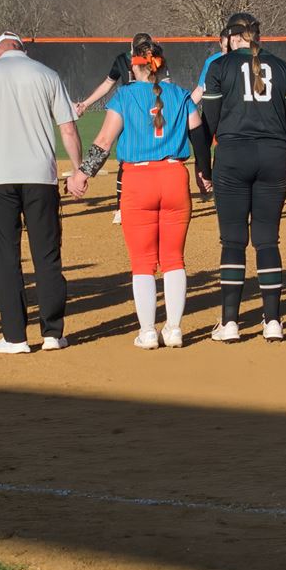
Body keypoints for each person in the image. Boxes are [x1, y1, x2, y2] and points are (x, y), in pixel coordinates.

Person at [0, 32, 82, 354]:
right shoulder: (47, 74)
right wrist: (78, 169)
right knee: (47, 255)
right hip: (40, 176)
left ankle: (15, 337)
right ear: (22, 49)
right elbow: (67, 128)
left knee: (4, 257)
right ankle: (52, 333)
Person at [68, 37, 205, 348]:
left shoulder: (125, 96)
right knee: (174, 259)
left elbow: (104, 140)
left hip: (138, 181)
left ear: (135, 65)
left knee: (143, 262)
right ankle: (174, 329)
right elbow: (199, 134)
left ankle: (147, 332)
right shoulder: (180, 94)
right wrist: (203, 173)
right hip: (174, 177)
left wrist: (82, 173)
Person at [198, 13, 286, 342]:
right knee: (267, 240)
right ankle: (273, 321)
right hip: (272, 156)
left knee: (233, 241)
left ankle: (229, 323)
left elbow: (208, 121)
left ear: (231, 36)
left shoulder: (220, 66)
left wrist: (204, 166)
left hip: (233, 155)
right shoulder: (282, 68)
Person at [73, 32, 151, 226]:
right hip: (129, 111)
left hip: (150, 111)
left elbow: (164, 85)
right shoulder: (122, 60)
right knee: (125, 159)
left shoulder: (156, 57)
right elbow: (108, 84)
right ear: (132, 49)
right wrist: (85, 104)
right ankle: (121, 207)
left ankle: (149, 203)